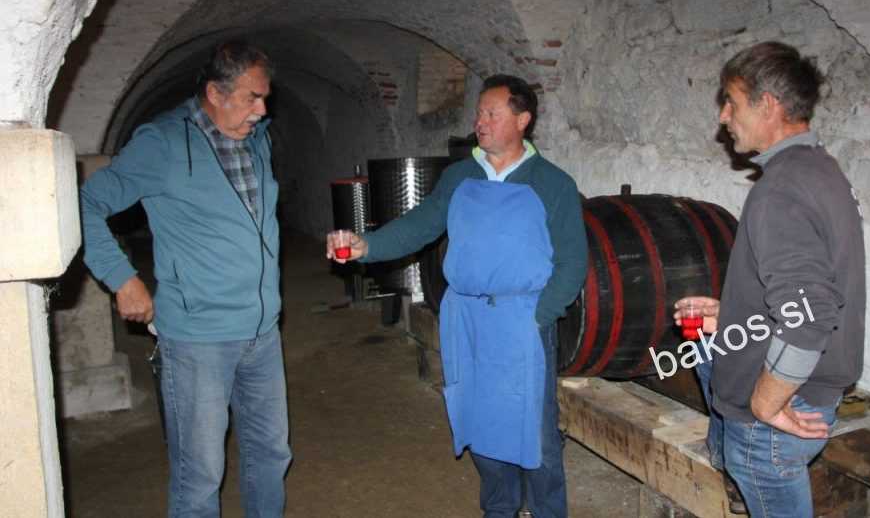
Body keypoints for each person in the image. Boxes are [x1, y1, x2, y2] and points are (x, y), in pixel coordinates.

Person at [328, 74, 588, 518]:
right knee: (479, 417)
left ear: (522, 120)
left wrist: (539, 316)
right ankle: (499, 509)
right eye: (479, 113)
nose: (479, 122)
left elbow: (573, 261)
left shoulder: (552, 183)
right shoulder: (460, 176)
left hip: (522, 319)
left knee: (536, 430)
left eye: (492, 113)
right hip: (466, 318)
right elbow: (420, 224)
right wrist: (366, 245)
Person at [80, 41, 291, 517]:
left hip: (263, 332)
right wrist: (122, 277)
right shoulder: (162, 144)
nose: (263, 110)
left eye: (265, 97)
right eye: (252, 98)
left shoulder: (256, 136)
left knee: (271, 455)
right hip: (199, 340)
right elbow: (84, 203)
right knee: (200, 475)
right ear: (215, 93)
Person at [674, 41, 866, 518]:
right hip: (809, 393)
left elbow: (811, 313)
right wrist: (737, 313)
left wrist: (763, 404)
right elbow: (814, 288)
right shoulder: (819, 170)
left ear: (769, 105)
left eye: (732, 102)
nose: (723, 116)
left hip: (778, 413)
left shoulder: (779, 189)